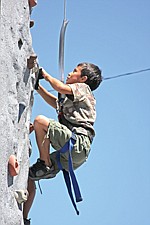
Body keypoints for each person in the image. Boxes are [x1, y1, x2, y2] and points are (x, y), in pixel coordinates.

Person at [29, 62, 102, 181]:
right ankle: (44, 169)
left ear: (83, 79)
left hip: (77, 143)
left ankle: (45, 164)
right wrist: (37, 87)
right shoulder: (73, 100)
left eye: (74, 71)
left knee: (40, 122)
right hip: (73, 154)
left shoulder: (83, 88)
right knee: (31, 174)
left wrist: (46, 76)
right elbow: (55, 103)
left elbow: (60, 87)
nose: (69, 73)